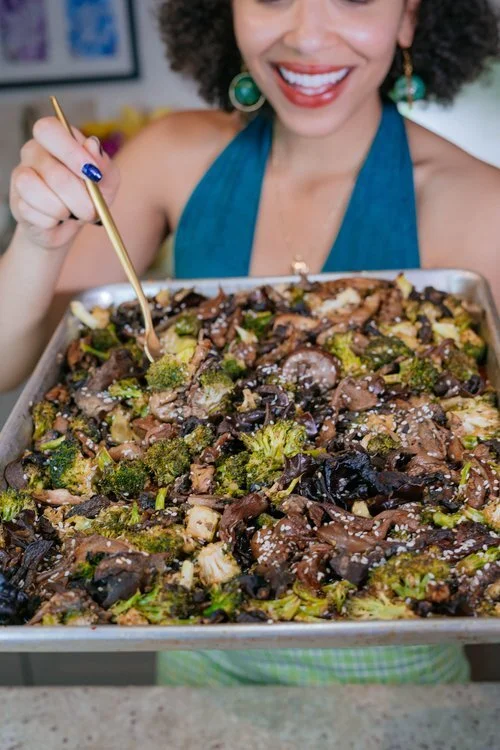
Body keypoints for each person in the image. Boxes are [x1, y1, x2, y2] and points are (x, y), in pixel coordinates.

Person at [1, 0, 499, 684]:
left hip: (398, 693)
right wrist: (37, 241)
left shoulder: (481, 206)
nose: (307, 34)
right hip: (197, 675)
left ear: (409, 16)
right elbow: (12, 365)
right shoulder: (170, 156)